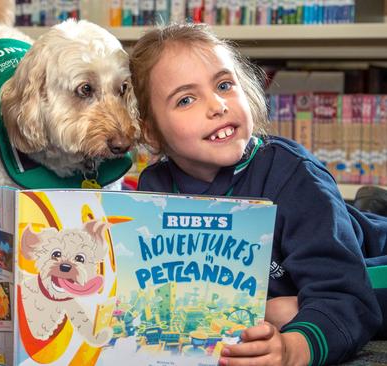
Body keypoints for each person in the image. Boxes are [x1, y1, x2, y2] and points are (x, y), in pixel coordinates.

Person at [130, 22, 387, 365]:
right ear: (152, 132)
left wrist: (292, 349)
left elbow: (346, 297)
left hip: (368, 266)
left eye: (224, 84)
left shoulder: (293, 174)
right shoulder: (154, 189)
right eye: (186, 99)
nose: (217, 105)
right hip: (291, 275)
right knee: (280, 308)